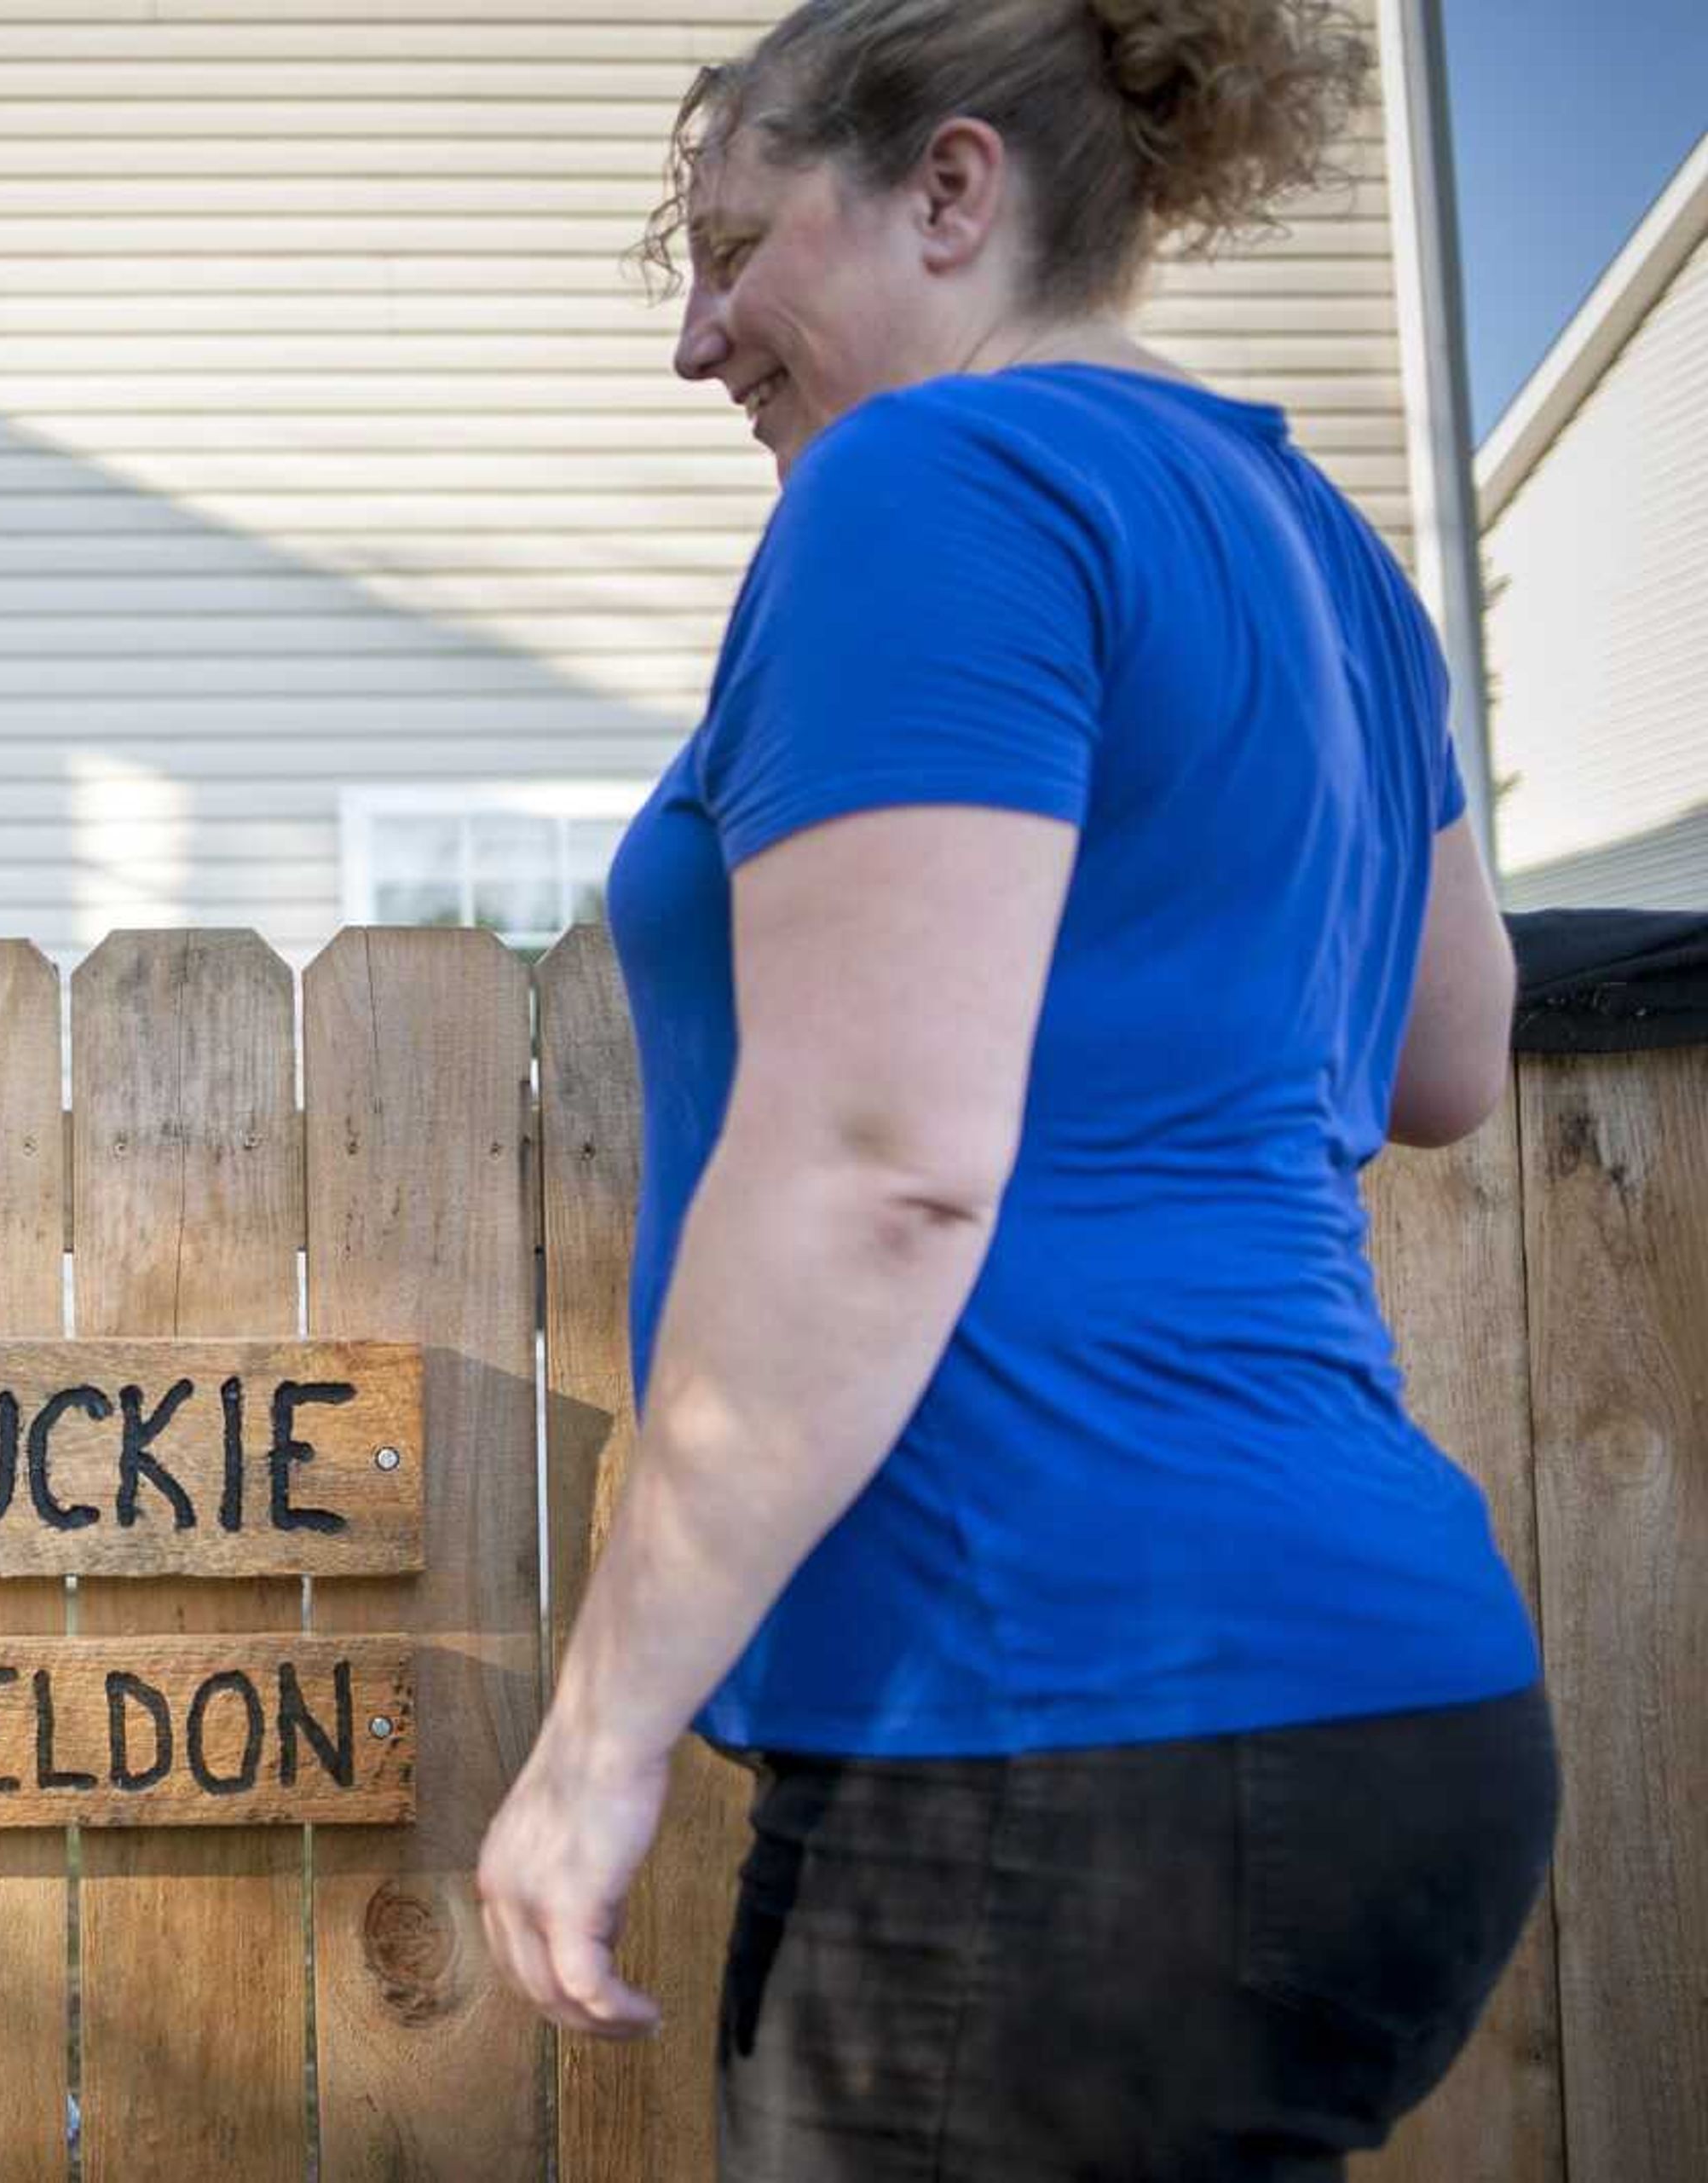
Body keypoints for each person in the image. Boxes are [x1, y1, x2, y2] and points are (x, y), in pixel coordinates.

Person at [472, 3, 1550, 2173]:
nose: (698, 340)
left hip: (1053, 1717)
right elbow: (1447, 1056)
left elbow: (875, 1172)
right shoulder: (1322, 540)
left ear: (951, 192)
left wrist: (599, 1735)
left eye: (736, 245)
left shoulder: (934, 481)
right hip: (1396, 1717)